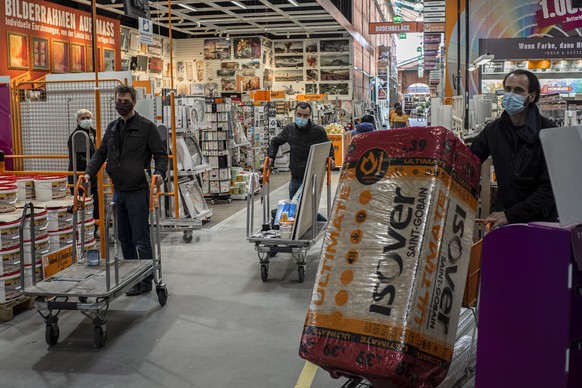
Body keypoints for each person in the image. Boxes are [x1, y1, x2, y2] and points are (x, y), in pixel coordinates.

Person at [84, 85, 168, 296]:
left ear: (134, 101)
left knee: (140, 237)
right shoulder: (112, 128)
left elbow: (161, 155)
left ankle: (146, 279)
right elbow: (100, 154)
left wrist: (159, 174)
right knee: (124, 237)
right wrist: (87, 174)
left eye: (125, 101)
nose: (121, 104)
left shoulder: (147, 127)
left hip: (138, 191)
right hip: (119, 191)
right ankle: (133, 277)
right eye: (118, 101)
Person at [469, 69, 557, 229]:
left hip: (539, 223)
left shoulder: (549, 132)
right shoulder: (493, 130)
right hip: (504, 219)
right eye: (508, 89)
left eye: (518, 90)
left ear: (531, 96)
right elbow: (469, 161)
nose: (510, 95)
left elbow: (551, 189)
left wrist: (510, 215)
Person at [268, 102, 335, 220]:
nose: (302, 118)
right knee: (295, 210)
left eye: (305, 115)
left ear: (310, 116)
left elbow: (328, 146)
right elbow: (275, 141)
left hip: (311, 178)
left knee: (307, 211)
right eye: (299, 115)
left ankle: (325, 225)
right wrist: (271, 156)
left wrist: (331, 159)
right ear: (294, 114)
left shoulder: (318, 131)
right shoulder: (290, 129)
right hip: (295, 177)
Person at [68, 109, 100, 236]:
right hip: (79, 176)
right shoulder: (78, 136)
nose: (86, 120)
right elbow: (79, 159)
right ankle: (83, 231)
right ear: (77, 120)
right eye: (83, 118)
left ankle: (94, 229)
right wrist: (94, 163)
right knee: (82, 202)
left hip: (91, 175)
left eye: (88, 117)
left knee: (94, 202)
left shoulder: (93, 133)